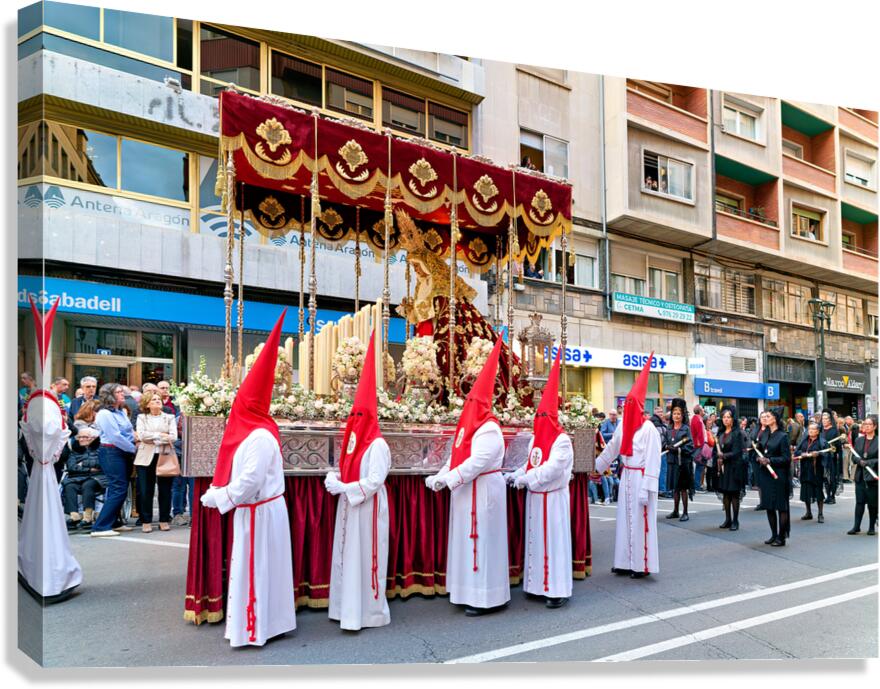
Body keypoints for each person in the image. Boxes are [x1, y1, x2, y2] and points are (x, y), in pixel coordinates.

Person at [200, 311, 296, 647]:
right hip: (256, 513)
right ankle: (268, 620)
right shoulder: (253, 433)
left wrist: (220, 497)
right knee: (262, 568)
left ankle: (257, 625)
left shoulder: (258, 437)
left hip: (259, 511)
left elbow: (250, 482)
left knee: (256, 570)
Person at [426, 334, 509, 616]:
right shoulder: (467, 427)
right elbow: (456, 455)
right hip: (465, 492)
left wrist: (448, 479)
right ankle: (464, 591)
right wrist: (439, 474)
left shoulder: (488, 428)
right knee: (465, 543)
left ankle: (486, 598)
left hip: (482, 491)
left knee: (482, 543)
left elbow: (478, 461)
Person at [324, 330, 392, 631]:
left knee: (366, 558)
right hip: (351, 505)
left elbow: (375, 479)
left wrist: (346, 488)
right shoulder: (354, 441)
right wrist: (337, 477)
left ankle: (368, 612)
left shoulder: (377, 445)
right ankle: (345, 609)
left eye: (361, 415)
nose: (356, 420)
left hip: (368, 507)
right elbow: (349, 468)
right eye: (354, 414)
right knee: (347, 557)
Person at [18, 296, 82, 602]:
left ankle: (34, 566)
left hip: (40, 469)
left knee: (38, 514)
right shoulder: (46, 403)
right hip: (44, 467)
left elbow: (38, 438)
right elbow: (50, 437)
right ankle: (51, 574)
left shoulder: (35, 402)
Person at [507, 349, 573, 608]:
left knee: (553, 545)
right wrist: (516, 475)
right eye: (538, 416)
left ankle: (556, 590)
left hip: (553, 498)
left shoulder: (562, 441)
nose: (541, 420)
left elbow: (552, 470)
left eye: (545, 416)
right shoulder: (536, 438)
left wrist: (527, 480)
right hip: (536, 499)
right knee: (536, 542)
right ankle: (537, 585)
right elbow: (531, 462)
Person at [594, 353, 662, 578]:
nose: (627, 408)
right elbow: (612, 448)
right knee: (624, 521)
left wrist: (647, 488)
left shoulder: (649, 430)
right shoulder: (623, 426)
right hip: (626, 477)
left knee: (640, 521)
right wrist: (595, 466)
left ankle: (641, 564)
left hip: (641, 478)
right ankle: (623, 561)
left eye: (632, 404)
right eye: (626, 404)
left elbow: (654, 461)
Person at [89, 384, 137, 537]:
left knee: (119, 489)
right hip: (111, 452)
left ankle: (114, 522)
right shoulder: (104, 414)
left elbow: (128, 432)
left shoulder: (120, 411)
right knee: (118, 488)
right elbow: (114, 436)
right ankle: (100, 526)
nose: (122, 394)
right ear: (110, 395)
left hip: (122, 452)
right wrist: (133, 448)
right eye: (118, 392)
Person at [134, 391, 178, 533]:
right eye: (153, 400)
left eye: (158, 399)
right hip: (145, 457)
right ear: (147, 403)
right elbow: (141, 435)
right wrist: (161, 435)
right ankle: (146, 520)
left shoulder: (169, 417)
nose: (157, 401)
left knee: (165, 490)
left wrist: (152, 437)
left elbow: (173, 437)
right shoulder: (142, 417)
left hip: (164, 455)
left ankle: (164, 519)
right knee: (146, 490)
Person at [755, 407, 792, 547]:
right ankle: (773, 535)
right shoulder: (764, 433)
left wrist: (770, 460)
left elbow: (786, 458)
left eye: (768, 416)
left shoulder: (783, 436)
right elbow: (758, 450)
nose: (765, 418)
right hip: (765, 474)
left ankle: (781, 537)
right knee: (769, 506)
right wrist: (760, 459)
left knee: (781, 507)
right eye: (764, 417)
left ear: (775, 418)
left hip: (778, 475)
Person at [61, 427, 106, 530]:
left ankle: (87, 517)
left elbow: (101, 463)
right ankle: (74, 516)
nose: (81, 439)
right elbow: (71, 466)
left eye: (84, 437)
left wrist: (83, 464)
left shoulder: (101, 449)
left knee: (88, 485)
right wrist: (90, 469)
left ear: (93, 438)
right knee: (69, 486)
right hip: (77, 477)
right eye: (79, 437)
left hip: (97, 477)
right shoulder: (75, 451)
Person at [847, 415, 878, 536]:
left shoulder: (878, 441)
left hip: (872, 476)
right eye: (865, 424)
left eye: (869, 424)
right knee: (859, 502)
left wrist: (869, 462)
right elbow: (854, 455)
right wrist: (858, 461)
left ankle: (871, 527)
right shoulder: (859, 440)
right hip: (860, 475)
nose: (866, 426)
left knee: (872, 503)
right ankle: (856, 526)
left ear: (874, 426)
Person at [665, 398, 695, 522]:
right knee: (675, 488)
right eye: (674, 413)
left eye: (678, 414)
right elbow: (665, 442)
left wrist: (678, 450)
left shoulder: (686, 429)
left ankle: (685, 512)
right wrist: (666, 446)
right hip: (672, 462)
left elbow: (690, 446)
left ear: (682, 416)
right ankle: (676, 511)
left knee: (683, 488)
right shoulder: (669, 428)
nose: (676, 416)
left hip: (683, 463)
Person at [716, 405, 745, 530]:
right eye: (724, 417)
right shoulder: (720, 433)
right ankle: (727, 519)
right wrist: (717, 456)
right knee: (725, 494)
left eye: (728, 417)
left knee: (734, 494)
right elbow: (716, 450)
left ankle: (735, 521)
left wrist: (724, 456)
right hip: (723, 468)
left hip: (734, 467)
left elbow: (737, 452)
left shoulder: (737, 433)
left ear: (733, 419)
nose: (726, 419)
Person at [794, 422, 829, 523]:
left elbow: (827, 454)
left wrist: (818, 454)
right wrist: (803, 454)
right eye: (809, 429)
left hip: (816, 469)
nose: (811, 431)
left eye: (813, 429)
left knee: (818, 491)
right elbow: (797, 451)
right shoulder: (804, 440)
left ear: (818, 431)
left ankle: (820, 514)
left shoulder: (822, 442)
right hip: (805, 469)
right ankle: (808, 512)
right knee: (806, 491)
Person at [820, 411, 843, 504]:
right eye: (823, 419)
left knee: (832, 477)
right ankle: (827, 495)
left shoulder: (834, 430)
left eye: (826, 419)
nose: (824, 421)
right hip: (821, 457)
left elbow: (837, 444)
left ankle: (832, 496)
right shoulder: (820, 429)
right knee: (824, 477)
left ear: (830, 420)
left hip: (831, 457)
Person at [650, 407, 671, 497]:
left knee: (659, 471)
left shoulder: (658, 422)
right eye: (658, 411)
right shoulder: (656, 423)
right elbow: (660, 437)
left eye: (661, 411)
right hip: (661, 451)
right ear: (655, 412)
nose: (661, 413)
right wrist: (665, 445)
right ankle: (662, 490)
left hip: (658, 450)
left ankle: (660, 489)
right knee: (663, 470)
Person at [690, 405, 706, 493]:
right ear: (699, 411)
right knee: (699, 466)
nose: (704, 411)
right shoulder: (698, 419)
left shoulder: (695, 418)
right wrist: (703, 445)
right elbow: (700, 434)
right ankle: (697, 485)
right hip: (698, 445)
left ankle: (696, 485)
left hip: (696, 445)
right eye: (703, 409)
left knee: (698, 466)